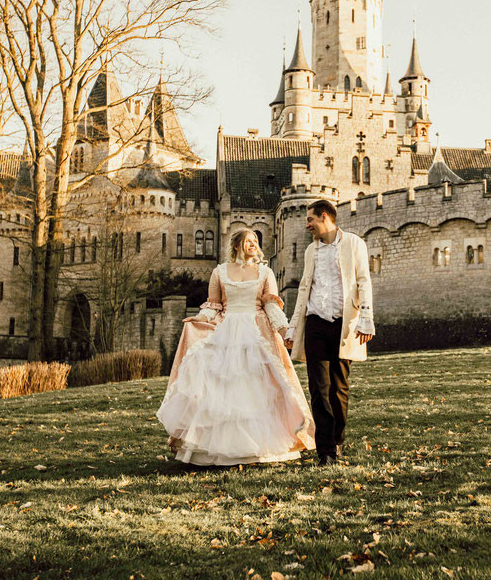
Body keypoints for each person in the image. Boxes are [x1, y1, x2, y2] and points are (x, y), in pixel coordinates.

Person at [158, 230, 315, 466]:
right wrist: (199, 319)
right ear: (237, 245)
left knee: (257, 387)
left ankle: (258, 448)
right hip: (226, 331)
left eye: (255, 241)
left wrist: (286, 333)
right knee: (222, 388)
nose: (253, 244)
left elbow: (272, 307)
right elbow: (214, 306)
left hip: (256, 332)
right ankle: (214, 450)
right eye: (248, 241)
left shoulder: (265, 272)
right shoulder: (219, 272)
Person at [284, 200, 374, 466]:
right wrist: (293, 325)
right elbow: (304, 288)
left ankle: (337, 439)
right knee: (318, 388)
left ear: (324, 217)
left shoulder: (354, 243)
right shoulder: (311, 251)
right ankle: (325, 452)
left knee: (339, 388)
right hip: (315, 322)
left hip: (343, 322)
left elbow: (363, 280)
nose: (307, 225)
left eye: (310, 220)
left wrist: (366, 317)